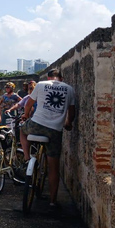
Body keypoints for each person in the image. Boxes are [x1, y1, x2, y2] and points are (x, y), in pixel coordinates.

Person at [20, 69, 75, 212]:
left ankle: (27, 157)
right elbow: (72, 112)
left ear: (49, 77)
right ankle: (52, 201)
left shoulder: (41, 84)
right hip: (54, 130)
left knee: (22, 131)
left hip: (36, 125)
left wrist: (26, 115)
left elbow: (28, 104)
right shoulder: (69, 89)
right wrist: (68, 123)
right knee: (53, 167)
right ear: (61, 78)